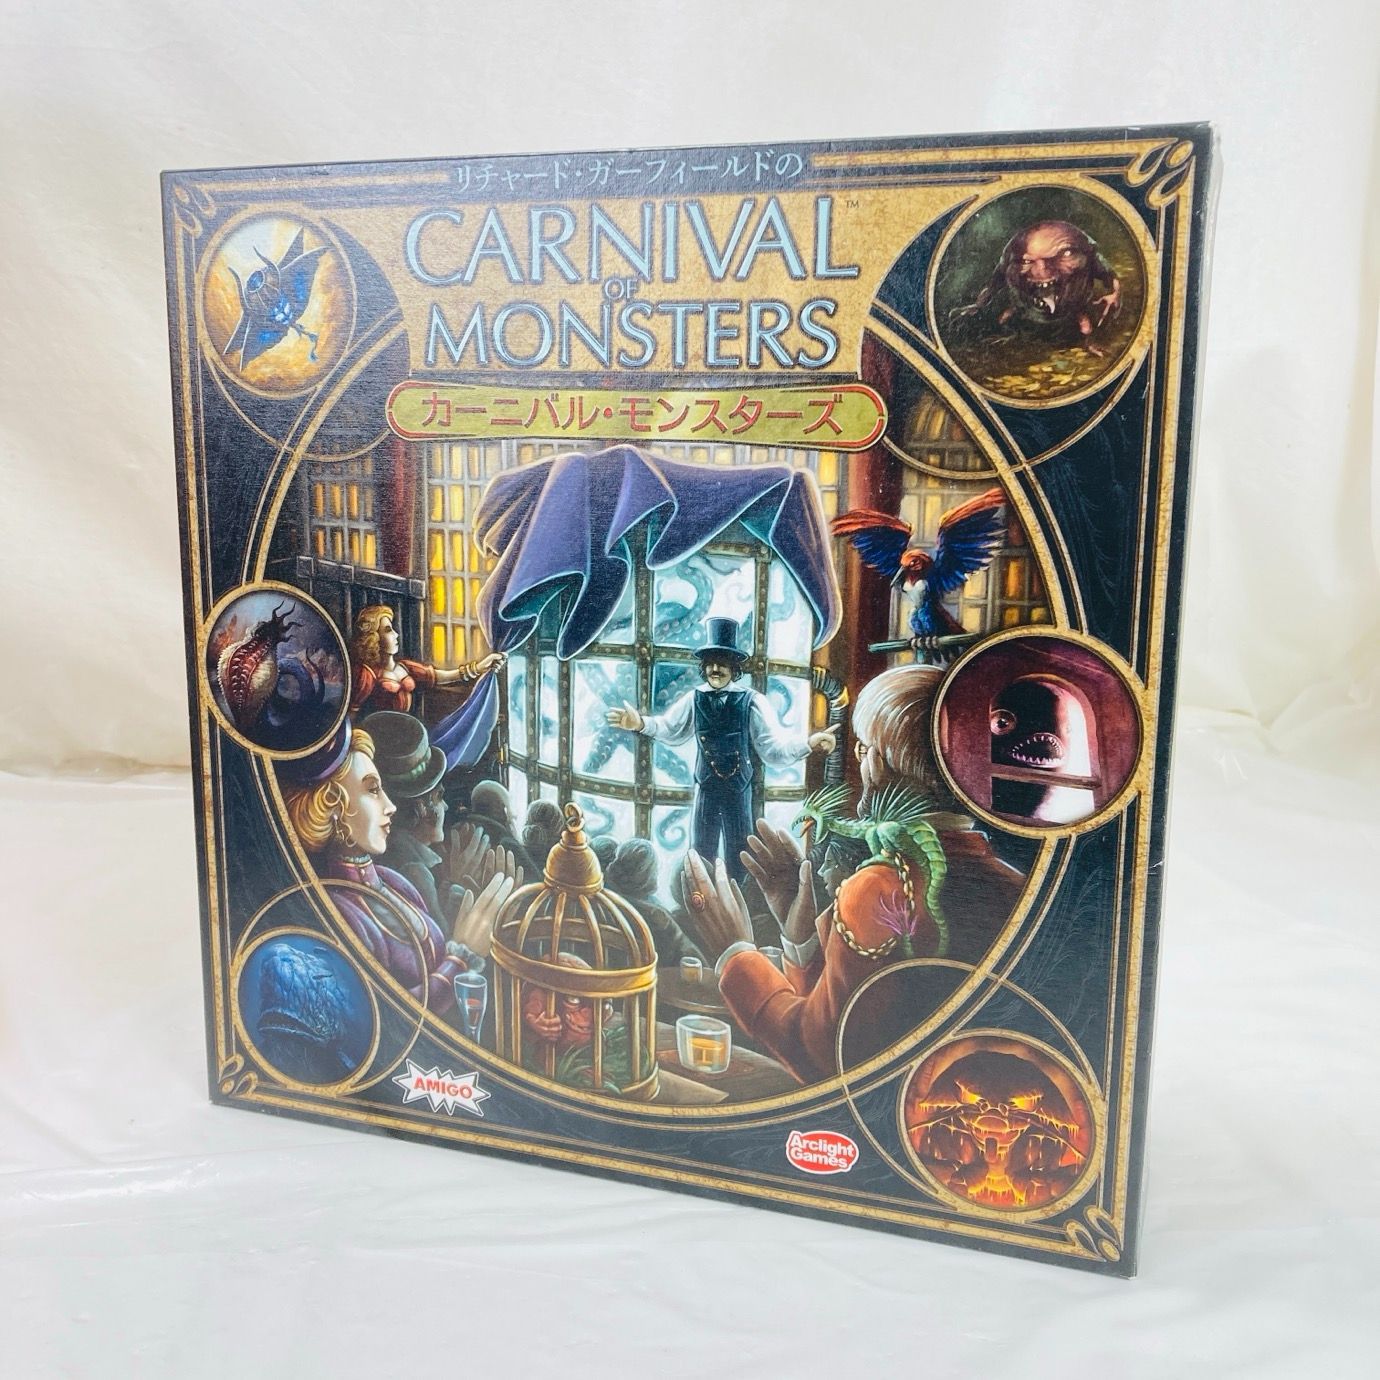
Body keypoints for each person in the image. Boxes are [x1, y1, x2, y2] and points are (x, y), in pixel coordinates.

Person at [678, 664, 1026, 1085]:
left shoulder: (879, 887)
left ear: (882, 762)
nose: (862, 765)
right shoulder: (1014, 885)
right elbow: (864, 1015)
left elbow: (825, 1057)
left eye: (863, 751)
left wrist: (735, 953)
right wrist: (801, 932)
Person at [282, 723, 514, 1017]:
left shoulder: (393, 882)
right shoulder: (336, 911)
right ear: (333, 806)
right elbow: (388, 1019)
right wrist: (462, 956)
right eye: (373, 790)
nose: (389, 805)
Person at [604, 616, 835, 880]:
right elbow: (669, 728)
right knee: (701, 853)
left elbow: (773, 748)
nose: (715, 669)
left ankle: (739, 899)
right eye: (710, 663)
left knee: (741, 855)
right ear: (703, 667)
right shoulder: (694, 698)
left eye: (722, 663)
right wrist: (640, 723)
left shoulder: (752, 701)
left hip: (739, 790)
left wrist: (808, 744)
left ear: (734, 668)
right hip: (706, 788)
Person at [349, 604, 504, 716]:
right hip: (379, 738)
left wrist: (479, 667)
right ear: (374, 638)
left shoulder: (405, 667)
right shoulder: (366, 675)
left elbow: (439, 676)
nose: (396, 635)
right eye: (388, 630)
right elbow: (352, 715)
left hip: (406, 732)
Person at [605, 838, 704, 966]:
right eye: (656, 870)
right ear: (647, 875)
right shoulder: (658, 917)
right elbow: (696, 962)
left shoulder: (603, 902)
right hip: (653, 976)